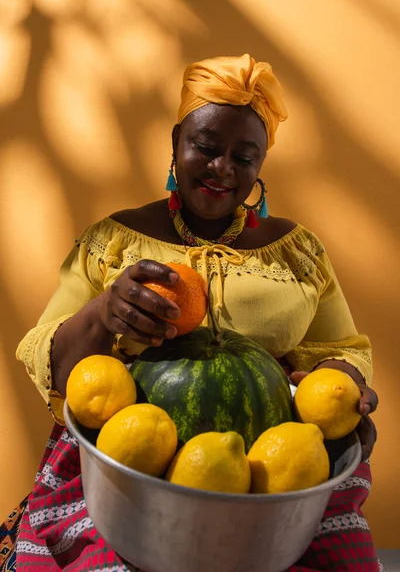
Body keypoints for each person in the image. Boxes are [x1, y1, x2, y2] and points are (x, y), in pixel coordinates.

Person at [3, 54, 379, 571]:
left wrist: (343, 394)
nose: (223, 168)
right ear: (176, 142)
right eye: (205, 147)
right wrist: (104, 313)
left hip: (278, 474)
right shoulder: (112, 241)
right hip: (127, 464)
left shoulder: (300, 251)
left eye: (244, 157)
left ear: (260, 165)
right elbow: (56, 368)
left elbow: (338, 351)